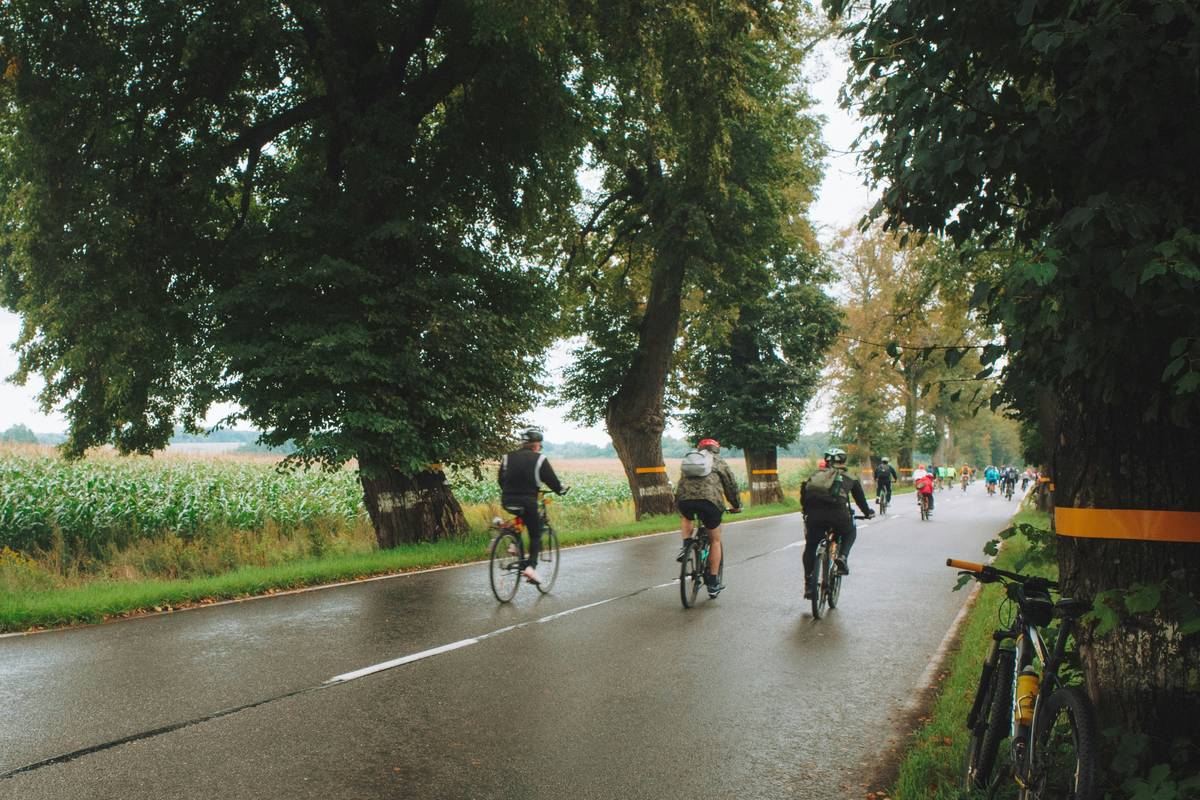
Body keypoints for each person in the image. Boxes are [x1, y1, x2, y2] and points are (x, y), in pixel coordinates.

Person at [800, 447, 874, 598]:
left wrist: (807, 513)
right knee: (850, 530)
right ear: (843, 461)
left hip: (815, 516)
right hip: (838, 515)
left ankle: (808, 584)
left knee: (811, 546)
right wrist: (868, 513)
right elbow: (860, 500)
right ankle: (842, 557)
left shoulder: (816, 476)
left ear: (826, 461)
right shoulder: (850, 477)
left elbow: (805, 496)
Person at [499, 427, 567, 584]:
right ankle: (531, 567)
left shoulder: (508, 457)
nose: (539, 448)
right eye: (539, 445)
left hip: (507, 500)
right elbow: (552, 481)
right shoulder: (540, 459)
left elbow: (501, 480)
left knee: (521, 516)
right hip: (528, 502)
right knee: (535, 533)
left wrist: (512, 492)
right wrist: (561, 490)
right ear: (536, 444)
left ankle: (514, 544)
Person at [675, 438, 742, 597]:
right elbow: (730, 486)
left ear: (699, 448)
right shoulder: (719, 462)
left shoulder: (690, 460)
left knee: (686, 516)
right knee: (715, 540)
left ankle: (686, 546)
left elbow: (682, 484)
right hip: (710, 503)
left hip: (684, 500)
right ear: (716, 449)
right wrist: (736, 504)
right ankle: (712, 582)